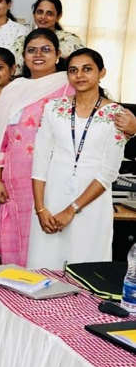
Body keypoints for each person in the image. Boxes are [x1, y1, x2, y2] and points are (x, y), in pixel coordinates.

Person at [0, 29, 74, 267]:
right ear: (23, 56)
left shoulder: (69, 86)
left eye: (46, 50)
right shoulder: (14, 89)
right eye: (32, 50)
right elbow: (0, 137)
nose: (38, 55)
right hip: (15, 182)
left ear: (58, 55)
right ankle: (18, 288)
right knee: (17, 237)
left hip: (53, 179)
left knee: (48, 237)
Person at [29, 49, 127, 268]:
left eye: (87, 69)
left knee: (85, 267)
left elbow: (108, 173)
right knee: (45, 266)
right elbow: (40, 160)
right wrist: (40, 208)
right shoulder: (54, 108)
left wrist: (71, 209)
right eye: (73, 70)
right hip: (51, 201)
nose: (79, 75)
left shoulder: (116, 115)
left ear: (102, 73)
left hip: (91, 203)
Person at [11, 0, 85, 74]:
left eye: (49, 13)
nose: (43, 17)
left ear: (58, 16)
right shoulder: (21, 41)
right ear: (34, 14)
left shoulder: (70, 41)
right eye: (40, 12)